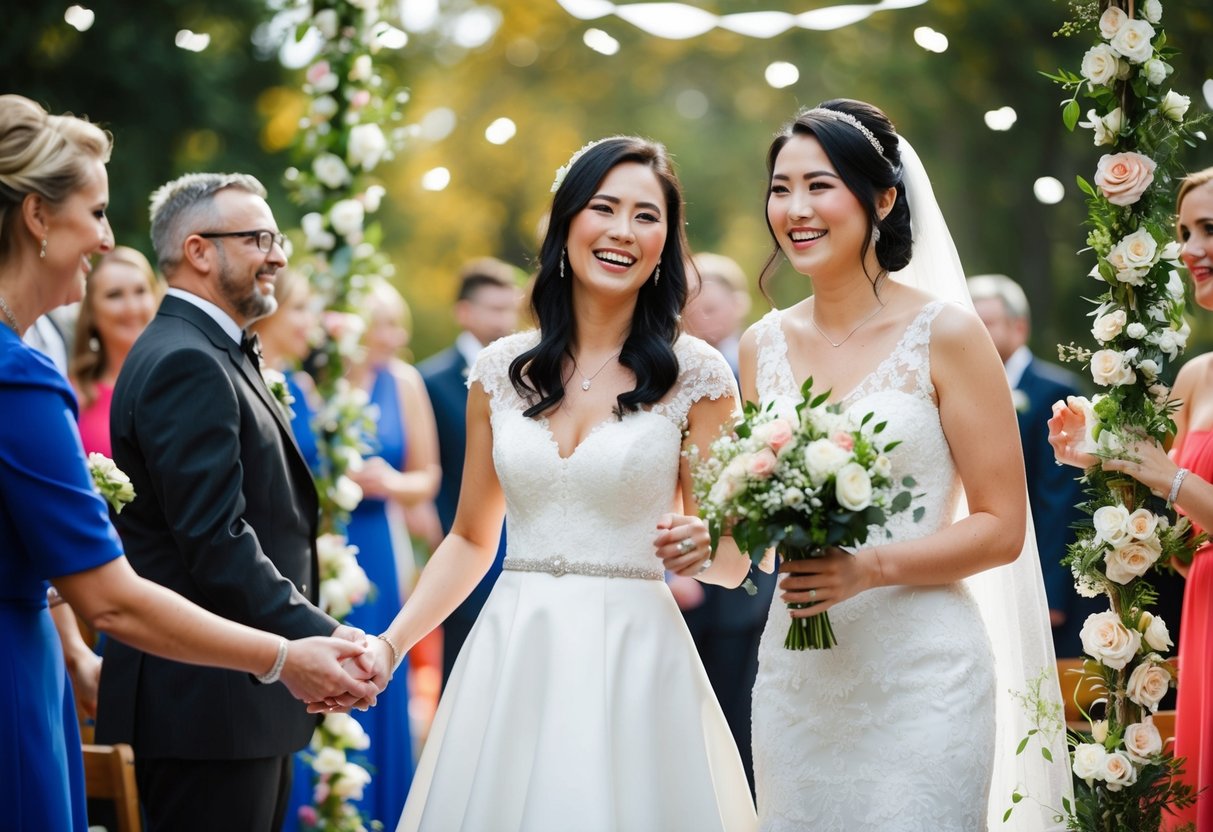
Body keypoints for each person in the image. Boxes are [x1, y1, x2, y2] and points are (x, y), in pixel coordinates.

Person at [342, 136, 759, 830]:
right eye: (604, 208)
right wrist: (391, 643)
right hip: (514, 652)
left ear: (666, 242)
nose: (623, 231)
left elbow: (734, 557)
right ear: (568, 222)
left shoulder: (699, 375)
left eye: (646, 216)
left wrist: (702, 542)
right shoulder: (500, 372)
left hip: (636, 657)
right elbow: (472, 538)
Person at [0, 93, 374, 832]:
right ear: (38, 218)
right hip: (187, 703)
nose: (109, 240)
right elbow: (144, 577)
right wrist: (291, 649)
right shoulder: (31, 376)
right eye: (98, 212)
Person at [739, 100, 1068, 831]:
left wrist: (869, 568)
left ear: (882, 198)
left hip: (923, 676)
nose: (795, 208)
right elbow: (753, 516)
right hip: (800, 675)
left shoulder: (945, 334)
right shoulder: (759, 344)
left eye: (819, 185)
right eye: (780, 187)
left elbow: (1001, 527)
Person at [95, 171, 380, 832]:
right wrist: (323, 637)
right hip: (203, 713)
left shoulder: (212, 350)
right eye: (259, 238)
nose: (278, 254)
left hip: (232, 708)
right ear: (199, 251)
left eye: (275, 237)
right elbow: (216, 541)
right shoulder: (184, 361)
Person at [1049, 166, 1213, 832]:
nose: (1190, 247)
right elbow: (1178, 548)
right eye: (1183, 232)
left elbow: (1174, 483)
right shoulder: (1197, 377)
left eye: (1210, 229)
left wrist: (1166, 477)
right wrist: (1102, 462)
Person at [340, 276, 440, 823]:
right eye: (382, 323)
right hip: (328, 535)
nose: (394, 334)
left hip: (378, 537)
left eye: (396, 322)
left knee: (375, 661)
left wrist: (389, 483)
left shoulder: (403, 383)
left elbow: (427, 476)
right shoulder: (316, 381)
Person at [677, 250, 774, 791]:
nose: (701, 317)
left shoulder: (760, 370)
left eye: (711, 305)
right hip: (679, 580)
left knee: (742, 705)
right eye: (691, 306)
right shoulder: (669, 371)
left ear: (738, 305)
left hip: (748, 577)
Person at [968, 273, 1097, 657]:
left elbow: (1060, 500)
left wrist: (1052, 593)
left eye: (986, 323)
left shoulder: (1053, 391)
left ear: (1019, 327)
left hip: (1045, 581)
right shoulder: (967, 391)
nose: (976, 333)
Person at [416, 256, 519, 684]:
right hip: (461, 544)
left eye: (509, 308)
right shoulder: (431, 379)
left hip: (523, 548)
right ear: (465, 312)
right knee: (465, 675)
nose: (504, 319)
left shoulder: (528, 372)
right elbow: (431, 467)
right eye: (494, 309)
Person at [70, 245, 162, 457]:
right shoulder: (74, 395)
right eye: (114, 295)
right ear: (91, 311)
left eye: (140, 291)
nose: (132, 307)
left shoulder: (183, 382)